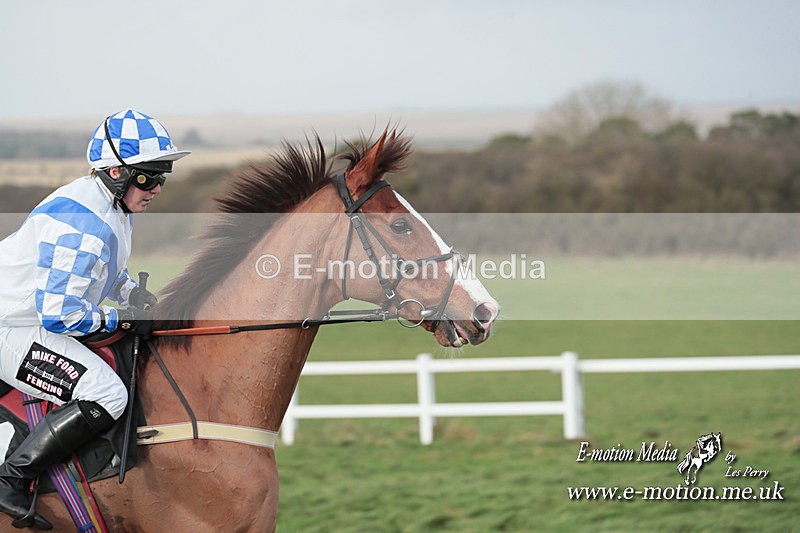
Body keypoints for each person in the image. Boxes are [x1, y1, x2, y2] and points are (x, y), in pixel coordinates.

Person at [0, 109, 189, 529]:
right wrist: (119, 317)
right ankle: (12, 476)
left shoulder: (111, 205)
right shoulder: (82, 221)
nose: (157, 187)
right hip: (11, 327)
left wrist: (127, 293)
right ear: (115, 172)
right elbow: (61, 315)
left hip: (26, 318)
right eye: (148, 176)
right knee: (109, 394)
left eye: (163, 175)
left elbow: (102, 273)